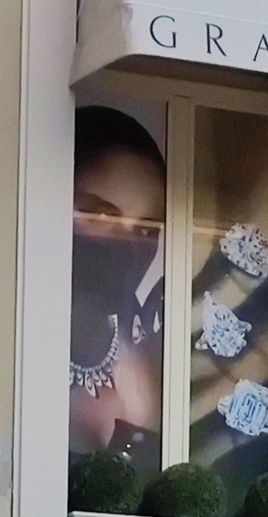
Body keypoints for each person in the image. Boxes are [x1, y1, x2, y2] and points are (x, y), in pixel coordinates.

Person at [70, 106, 168, 475]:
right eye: (103, 216)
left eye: (145, 231)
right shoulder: (3, 337)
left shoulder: (153, 362)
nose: (126, 244)